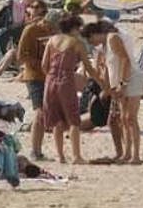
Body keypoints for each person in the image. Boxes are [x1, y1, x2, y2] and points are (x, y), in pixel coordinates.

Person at [42, 15, 102, 164]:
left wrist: (51, 76)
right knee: (73, 120)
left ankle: (60, 156)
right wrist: (101, 82)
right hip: (66, 82)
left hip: (50, 82)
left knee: (57, 121)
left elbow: (44, 65)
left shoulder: (51, 40)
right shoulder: (76, 43)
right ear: (74, 28)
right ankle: (76, 156)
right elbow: (89, 68)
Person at [88, 20, 143, 165]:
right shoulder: (106, 45)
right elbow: (108, 67)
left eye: (90, 39)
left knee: (130, 118)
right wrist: (108, 88)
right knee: (123, 120)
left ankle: (135, 155)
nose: (91, 43)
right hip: (120, 81)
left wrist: (123, 84)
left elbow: (125, 60)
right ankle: (127, 154)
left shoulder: (113, 37)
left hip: (130, 79)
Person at [12, 0, 53, 159]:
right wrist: (39, 62)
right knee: (40, 112)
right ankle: (35, 150)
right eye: (33, 7)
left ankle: (38, 150)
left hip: (48, 76)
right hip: (35, 75)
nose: (34, 10)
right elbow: (21, 56)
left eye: (38, 8)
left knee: (45, 112)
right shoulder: (30, 30)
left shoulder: (51, 30)